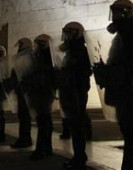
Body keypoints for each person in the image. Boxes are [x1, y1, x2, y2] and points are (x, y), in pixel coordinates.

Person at [104, 0, 133, 170]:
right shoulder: (125, 32)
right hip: (122, 85)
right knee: (127, 129)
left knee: (129, 128)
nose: (113, 17)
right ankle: (132, 163)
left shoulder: (130, 32)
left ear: (125, 12)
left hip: (127, 86)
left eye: (116, 12)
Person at [57, 22, 92, 170]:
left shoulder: (79, 50)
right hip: (71, 89)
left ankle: (79, 157)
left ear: (76, 33)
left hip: (76, 90)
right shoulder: (73, 49)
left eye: (68, 32)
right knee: (75, 124)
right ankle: (78, 156)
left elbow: (82, 72)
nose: (66, 36)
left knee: (77, 125)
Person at [23, 34, 56, 161]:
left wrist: (30, 79)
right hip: (43, 92)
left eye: (37, 44)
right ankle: (46, 148)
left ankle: (41, 149)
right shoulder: (44, 58)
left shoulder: (44, 59)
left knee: (43, 122)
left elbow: (41, 76)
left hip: (42, 92)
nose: (35, 47)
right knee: (45, 121)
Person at [8, 37, 33, 149]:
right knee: (22, 116)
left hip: (26, 92)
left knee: (25, 117)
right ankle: (23, 138)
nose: (19, 48)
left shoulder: (29, 58)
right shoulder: (22, 58)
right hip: (21, 91)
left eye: (20, 45)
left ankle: (25, 139)